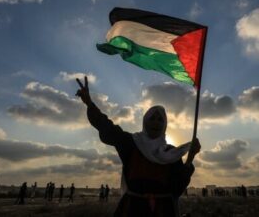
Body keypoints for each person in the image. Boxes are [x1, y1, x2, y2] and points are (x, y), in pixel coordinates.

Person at [76, 76, 201, 217]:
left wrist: (190, 158)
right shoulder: (131, 143)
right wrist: (89, 104)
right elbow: (108, 128)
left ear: (165, 125)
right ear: (145, 121)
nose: (156, 122)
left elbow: (177, 188)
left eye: (160, 119)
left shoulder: (171, 153)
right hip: (131, 210)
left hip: (163, 211)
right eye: (152, 118)